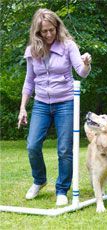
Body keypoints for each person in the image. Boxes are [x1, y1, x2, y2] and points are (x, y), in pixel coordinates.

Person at [17, 8, 91, 206]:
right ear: (37, 32)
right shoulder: (33, 50)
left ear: (57, 27)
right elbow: (29, 81)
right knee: (32, 145)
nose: (49, 34)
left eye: (51, 30)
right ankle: (39, 181)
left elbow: (81, 73)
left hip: (65, 102)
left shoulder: (68, 46)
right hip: (41, 103)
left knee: (65, 149)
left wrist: (86, 63)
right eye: (44, 31)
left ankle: (61, 190)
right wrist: (23, 107)